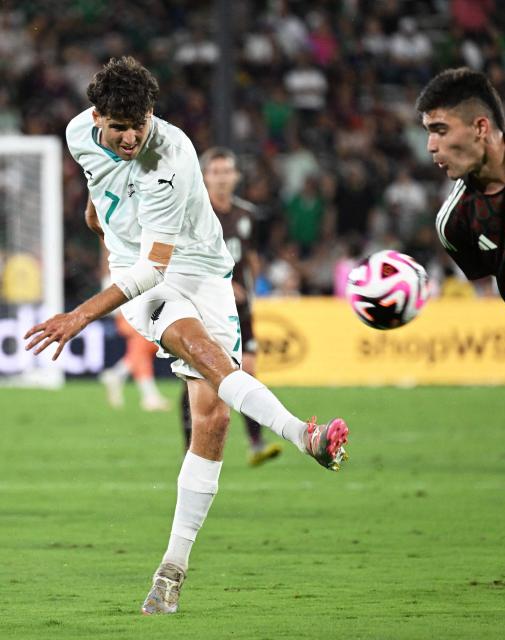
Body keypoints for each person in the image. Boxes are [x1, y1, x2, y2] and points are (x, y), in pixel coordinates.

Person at [24, 57, 349, 615]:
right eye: (118, 127)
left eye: (139, 124)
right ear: (96, 116)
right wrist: (97, 212)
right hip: (137, 276)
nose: (129, 137)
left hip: (196, 269)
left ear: (152, 115)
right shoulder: (80, 133)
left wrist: (78, 315)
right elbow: (105, 199)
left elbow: (159, 265)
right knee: (199, 347)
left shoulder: (171, 156)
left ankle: (171, 572)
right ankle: (302, 435)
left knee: (213, 417)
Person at [416, 67, 505, 378]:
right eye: (428, 132)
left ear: (481, 127)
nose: (431, 146)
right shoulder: (454, 222)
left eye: (441, 130)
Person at [180, 147, 282, 466]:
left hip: (241, 308)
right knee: (199, 378)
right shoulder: (194, 214)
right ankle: (191, 448)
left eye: (227, 172)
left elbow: (248, 254)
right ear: (204, 176)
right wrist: (223, 284)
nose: (222, 178)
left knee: (248, 370)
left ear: (236, 177)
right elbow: (185, 260)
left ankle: (255, 443)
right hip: (205, 307)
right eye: (216, 172)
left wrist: (256, 281)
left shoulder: (246, 214)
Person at [100, 312, 171, 411]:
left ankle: (117, 375)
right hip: (132, 314)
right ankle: (150, 397)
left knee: (142, 353)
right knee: (142, 352)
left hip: (136, 314)